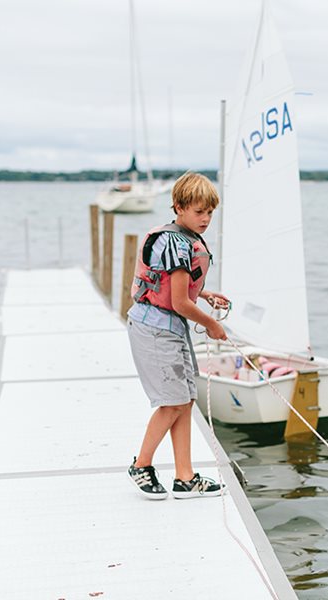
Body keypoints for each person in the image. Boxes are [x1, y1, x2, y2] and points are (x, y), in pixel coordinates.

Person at [126, 171, 229, 500]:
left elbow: (178, 289)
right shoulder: (172, 241)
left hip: (170, 327)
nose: (206, 219)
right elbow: (178, 302)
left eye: (210, 212)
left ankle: (185, 477)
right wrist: (212, 324)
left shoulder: (184, 240)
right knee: (171, 403)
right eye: (199, 212)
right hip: (154, 329)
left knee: (185, 402)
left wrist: (206, 294)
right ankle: (141, 465)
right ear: (179, 208)